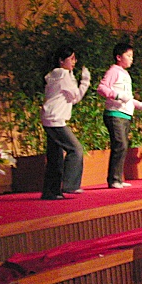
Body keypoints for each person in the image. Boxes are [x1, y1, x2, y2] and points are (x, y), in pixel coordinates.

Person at [40, 45, 90, 200]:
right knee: (76, 149)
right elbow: (76, 96)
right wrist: (85, 81)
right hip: (56, 119)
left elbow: (70, 98)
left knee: (55, 157)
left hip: (50, 117)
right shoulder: (62, 74)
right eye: (71, 58)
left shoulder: (55, 74)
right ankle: (70, 185)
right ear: (61, 61)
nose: (74, 62)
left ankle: (51, 191)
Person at [97, 43, 142, 189]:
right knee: (120, 145)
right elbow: (102, 88)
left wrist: (137, 104)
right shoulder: (114, 71)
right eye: (129, 56)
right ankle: (114, 179)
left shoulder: (125, 74)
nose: (131, 59)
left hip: (125, 114)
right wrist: (117, 95)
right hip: (114, 113)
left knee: (123, 146)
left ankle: (118, 178)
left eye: (132, 56)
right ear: (118, 57)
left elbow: (127, 97)